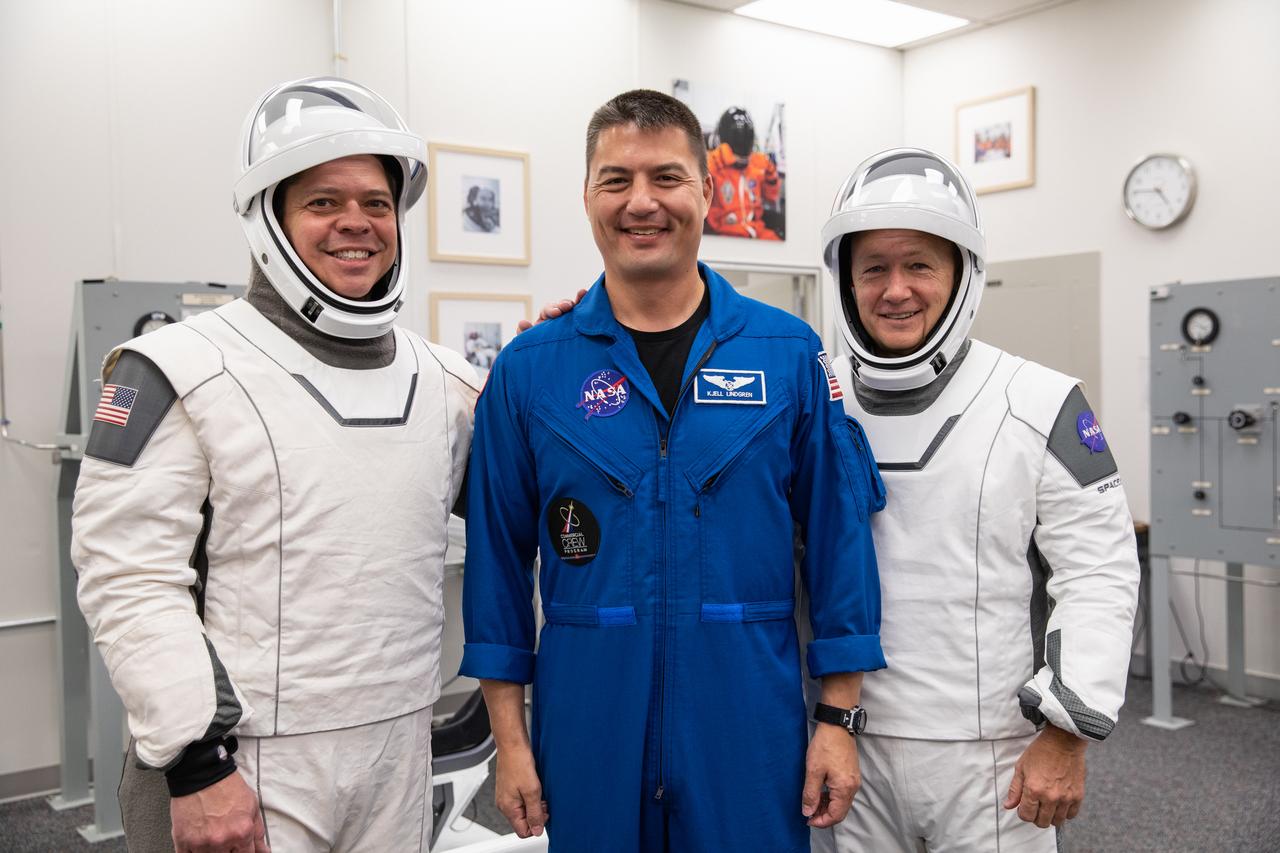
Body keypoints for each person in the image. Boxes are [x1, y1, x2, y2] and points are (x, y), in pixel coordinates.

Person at [459, 88, 885, 853]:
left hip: (747, 723)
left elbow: (839, 548)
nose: (641, 202)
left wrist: (837, 720)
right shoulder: (530, 370)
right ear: (587, 196)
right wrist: (511, 740)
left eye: (665, 177)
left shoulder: (786, 355)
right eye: (616, 180)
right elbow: (494, 566)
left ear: (708, 192)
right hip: (588, 721)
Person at [72, 77, 478, 852]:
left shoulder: (446, 383)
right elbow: (129, 577)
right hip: (240, 768)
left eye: (376, 202)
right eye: (323, 201)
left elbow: (545, 491)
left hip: (395, 748)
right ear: (271, 218)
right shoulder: (176, 369)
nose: (356, 222)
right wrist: (196, 768)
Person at [813, 148, 1140, 852]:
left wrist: (1067, 731)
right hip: (845, 737)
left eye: (919, 265)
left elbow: (1100, 570)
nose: (895, 289)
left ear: (963, 273)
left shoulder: (1042, 400)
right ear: (846, 280)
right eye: (874, 267)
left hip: (992, 755)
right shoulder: (812, 396)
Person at [704, 106, 782, 240]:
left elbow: (771, 197)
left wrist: (770, 174)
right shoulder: (713, 163)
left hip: (756, 230)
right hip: (725, 233)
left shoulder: (757, 165)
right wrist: (716, 160)